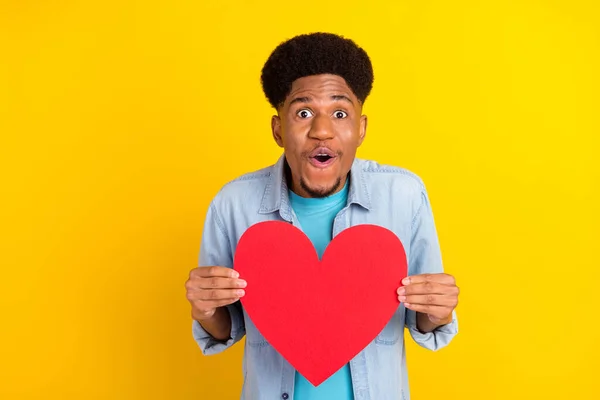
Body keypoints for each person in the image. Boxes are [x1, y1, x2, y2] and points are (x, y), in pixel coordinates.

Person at [185, 32, 459, 400]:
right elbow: (224, 330)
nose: (322, 130)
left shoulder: (404, 196)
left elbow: (423, 323)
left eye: (340, 112)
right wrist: (204, 310)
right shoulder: (233, 205)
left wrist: (438, 310)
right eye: (303, 112)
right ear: (278, 129)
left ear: (360, 129)